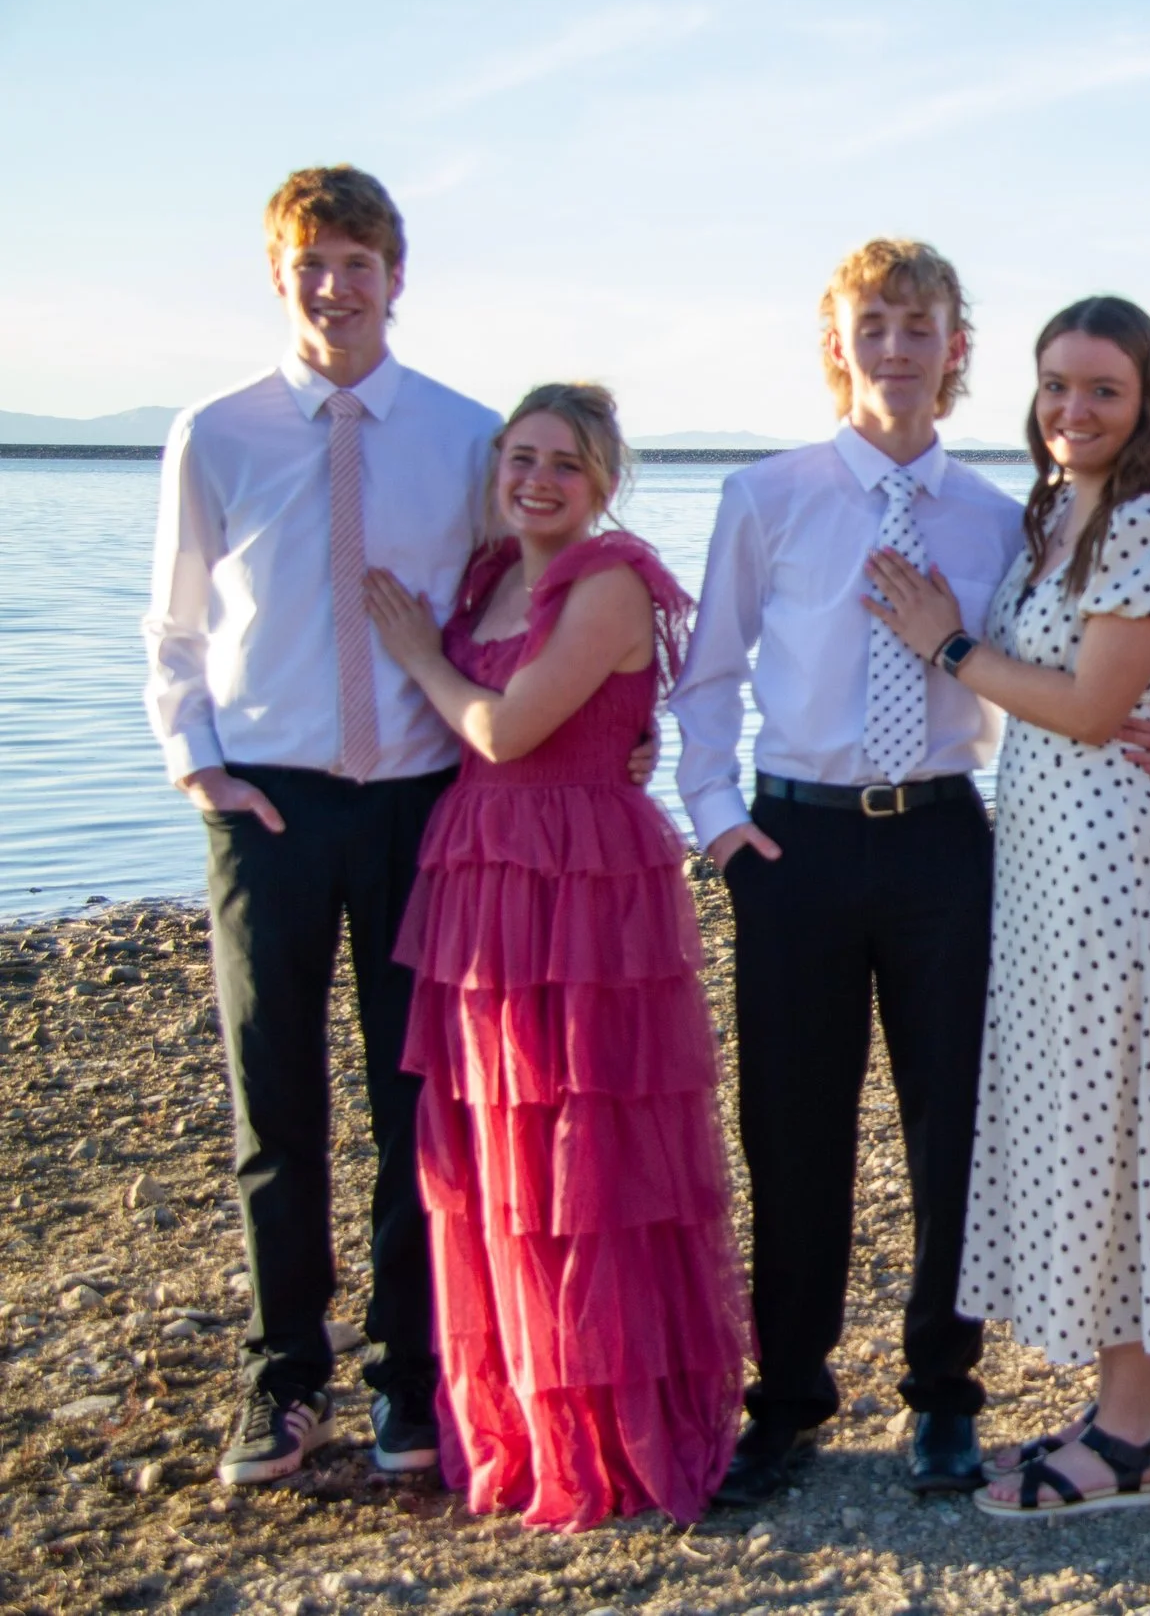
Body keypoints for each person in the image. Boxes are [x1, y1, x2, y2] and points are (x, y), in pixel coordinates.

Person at [674, 242, 1150, 1505]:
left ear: (958, 346)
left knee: (953, 1128)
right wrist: (716, 820)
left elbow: (1083, 663)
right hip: (793, 840)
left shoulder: (1002, 509)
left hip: (950, 845)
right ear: (836, 339)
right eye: (875, 324)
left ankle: (944, 1397)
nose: (897, 347)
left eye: (923, 326)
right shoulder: (768, 494)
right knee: (794, 1132)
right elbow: (708, 672)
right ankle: (786, 1398)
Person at [143, 166, 594, 1486]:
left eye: (358, 262)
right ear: (279, 275)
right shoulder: (213, 431)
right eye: (312, 264)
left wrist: (596, 725)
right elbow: (171, 625)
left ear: (398, 277)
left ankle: (414, 1372)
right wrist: (198, 768)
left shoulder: (463, 434)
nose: (336, 287)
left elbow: (515, 597)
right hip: (269, 804)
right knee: (273, 1096)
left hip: (419, 802)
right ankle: (283, 1376)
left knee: (419, 1097)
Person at [864, 296, 1150, 1518]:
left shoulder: (1147, 518)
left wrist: (946, 644)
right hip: (1041, 870)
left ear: (1149, 403)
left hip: (1108, 875)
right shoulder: (1057, 513)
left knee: (1127, 1128)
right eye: (1055, 387)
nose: (1072, 411)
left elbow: (1089, 707)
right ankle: (1114, 1409)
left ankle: (1132, 1439)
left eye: (1103, 390)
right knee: (1089, 1123)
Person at [363, 385, 747, 1528]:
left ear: (605, 482)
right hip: (484, 866)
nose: (536, 478)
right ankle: (530, 1417)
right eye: (519, 457)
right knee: (497, 1151)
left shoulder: (609, 575)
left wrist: (411, 652)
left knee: (588, 1148)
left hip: (579, 872)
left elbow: (504, 727)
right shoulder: (491, 575)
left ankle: (611, 1427)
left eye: (564, 463)